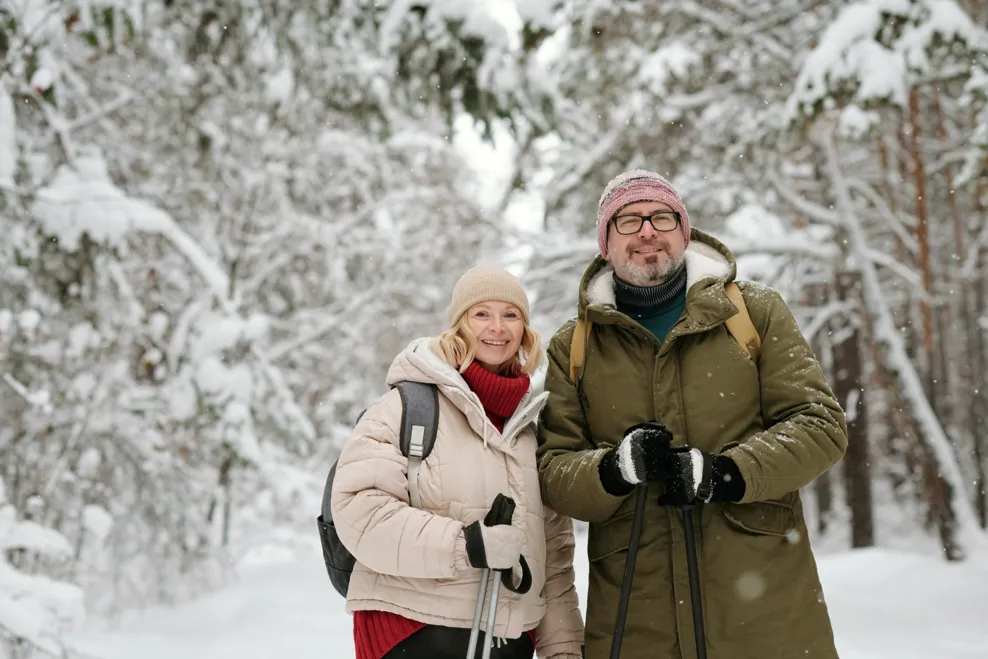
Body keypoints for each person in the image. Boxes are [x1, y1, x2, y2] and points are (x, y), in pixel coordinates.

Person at [535, 169, 849, 659]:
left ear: (684, 232)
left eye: (661, 217)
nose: (646, 231)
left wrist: (726, 473)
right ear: (605, 244)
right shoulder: (574, 346)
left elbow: (820, 425)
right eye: (627, 221)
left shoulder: (753, 314)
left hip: (765, 616)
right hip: (637, 620)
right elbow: (553, 470)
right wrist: (615, 469)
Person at [332, 265, 584, 659]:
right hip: (412, 631)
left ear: (525, 331)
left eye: (510, 314)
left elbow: (552, 561)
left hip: (507, 640)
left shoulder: (529, 436)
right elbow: (360, 511)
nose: (497, 327)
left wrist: (564, 649)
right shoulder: (405, 409)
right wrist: (464, 544)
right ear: (458, 326)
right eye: (481, 313)